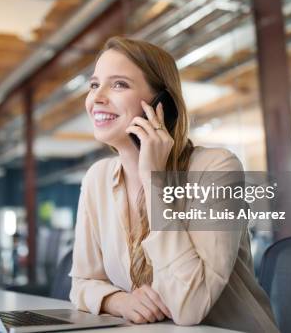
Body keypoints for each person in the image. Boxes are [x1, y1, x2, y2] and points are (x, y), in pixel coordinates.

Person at [69, 36, 279, 332]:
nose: (97, 97)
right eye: (94, 84)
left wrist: (154, 183)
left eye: (119, 84)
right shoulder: (96, 179)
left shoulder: (216, 169)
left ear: (161, 104)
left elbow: (190, 306)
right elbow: (81, 283)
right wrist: (119, 301)